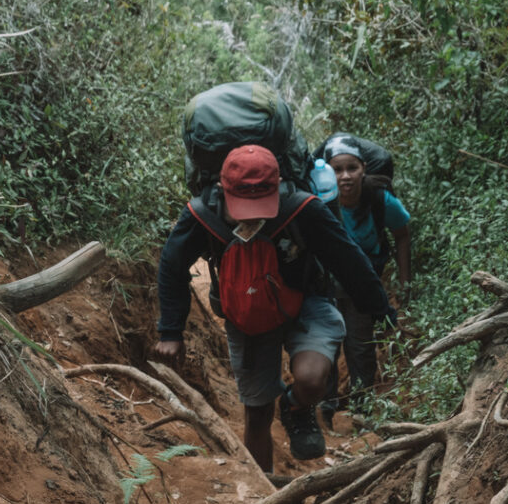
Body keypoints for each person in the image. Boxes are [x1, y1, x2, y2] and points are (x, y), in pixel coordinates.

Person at [153, 145, 394, 472]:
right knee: (257, 412)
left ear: (278, 184)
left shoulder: (303, 209)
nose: (253, 214)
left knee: (312, 380)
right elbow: (171, 266)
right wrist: (170, 330)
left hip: (306, 300)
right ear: (223, 190)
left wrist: (380, 308)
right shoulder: (201, 214)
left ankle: (295, 407)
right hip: (246, 312)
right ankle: (265, 499)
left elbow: (347, 258)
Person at [315, 133, 412, 423]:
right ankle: (325, 409)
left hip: (362, 288)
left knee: (360, 346)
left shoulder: (380, 199)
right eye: (336, 169)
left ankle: (362, 412)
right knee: (325, 346)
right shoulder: (318, 202)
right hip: (325, 285)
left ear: (364, 169)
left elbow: (403, 235)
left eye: (352, 168)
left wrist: (405, 284)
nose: (345, 176)